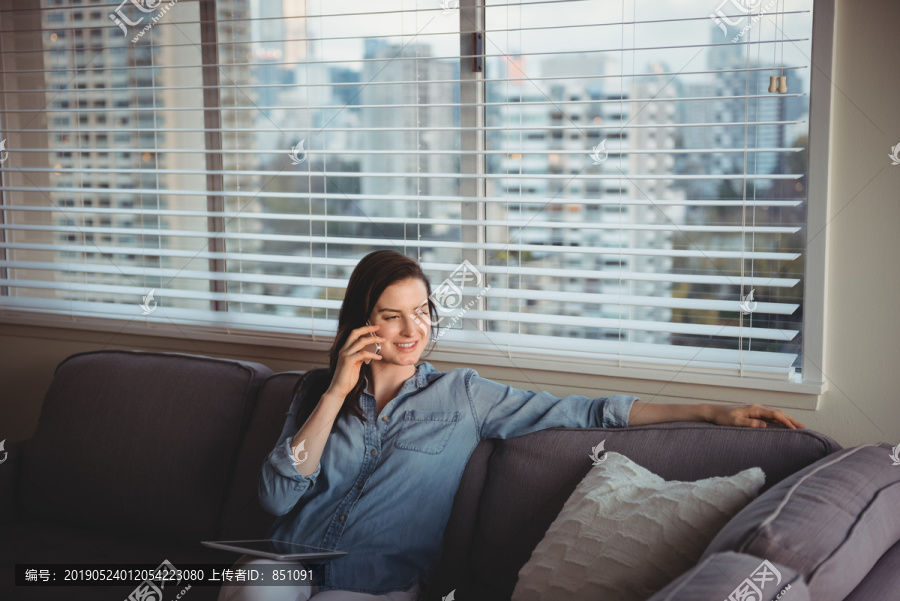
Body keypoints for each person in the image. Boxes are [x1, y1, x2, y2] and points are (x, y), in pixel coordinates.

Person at [218, 250, 805, 601]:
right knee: (253, 585)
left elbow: (585, 409)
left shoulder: (466, 396)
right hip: (287, 564)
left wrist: (709, 411)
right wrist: (339, 390)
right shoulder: (316, 392)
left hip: (375, 585)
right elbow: (274, 499)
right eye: (390, 316)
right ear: (360, 325)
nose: (410, 331)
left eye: (421, 312)